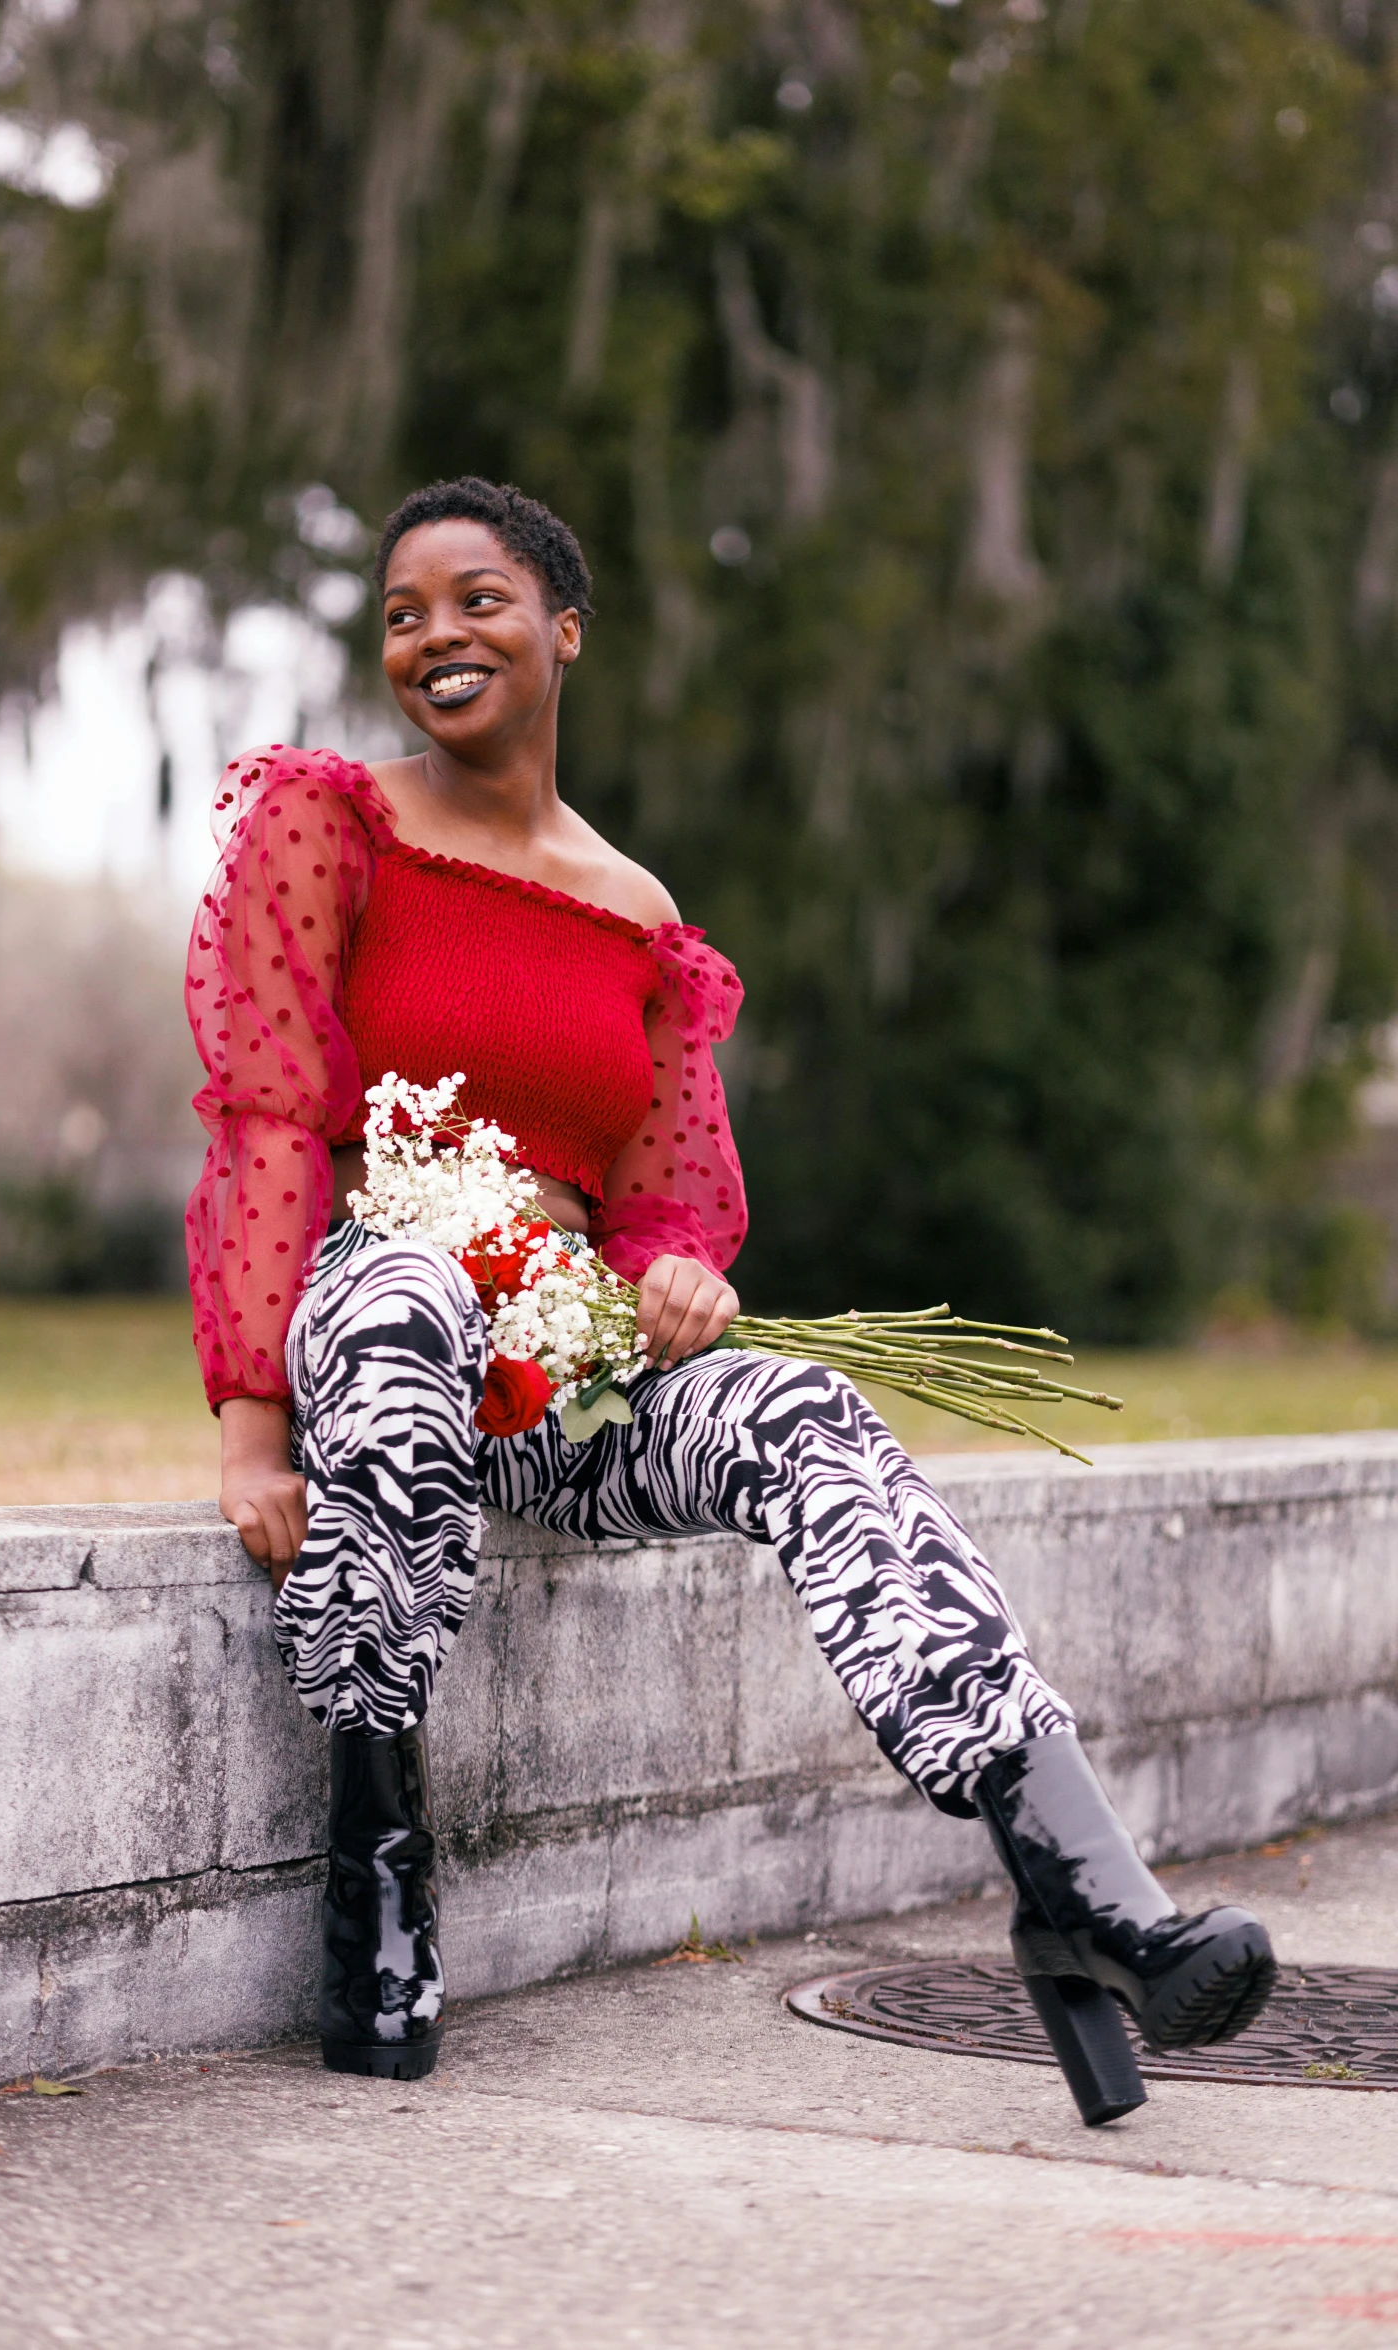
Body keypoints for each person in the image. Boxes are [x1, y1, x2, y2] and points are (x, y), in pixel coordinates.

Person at [184, 475, 1275, 2125]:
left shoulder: (635, 910)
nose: (434, 637)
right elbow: (268, 1113)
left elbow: (671, 1182)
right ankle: (381, 1882)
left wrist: (676, 1273)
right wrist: (255, 1429)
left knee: (802, 1409)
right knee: (403, 1290)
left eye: (476, 599)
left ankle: (1077, 1881)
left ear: (562, 627)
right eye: (403, 614)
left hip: (568, 1381)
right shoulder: (335, 825)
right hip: (381, 1325)